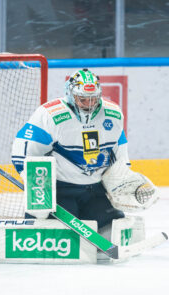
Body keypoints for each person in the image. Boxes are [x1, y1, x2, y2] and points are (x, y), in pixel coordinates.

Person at [11, 68, 157, 228]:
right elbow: (23, 153)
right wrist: (38, 190)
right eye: (83, 99)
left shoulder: (113, 114)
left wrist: (122, 177)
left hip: (94, 190)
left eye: (93, 99)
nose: (89, 104)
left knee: (113, 225)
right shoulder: (50, 115)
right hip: (61, 190)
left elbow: (118, 150)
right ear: (71, 95)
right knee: (59, 232)